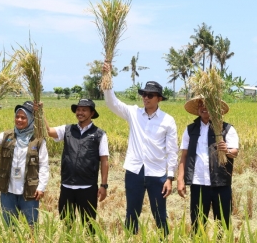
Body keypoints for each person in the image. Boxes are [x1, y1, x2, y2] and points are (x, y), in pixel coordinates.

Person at [103, 64, 178, 236]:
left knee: (160, 214)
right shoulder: (133, 113)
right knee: (131, 213)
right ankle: (131, 238)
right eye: (144, 94)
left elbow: (172, 151)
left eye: (150, 95)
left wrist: (170, 178)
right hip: (134, 172)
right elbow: (111, 102)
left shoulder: (168, 121)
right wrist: (107, 77)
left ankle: (163, 239)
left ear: (159, 98)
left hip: (157, 174)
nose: (145, 98)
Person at [0, 101, 49, 226]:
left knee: (31, 226)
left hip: (29, 192)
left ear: (31, 119)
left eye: (23, 117)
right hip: (8, 190)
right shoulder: (7, 136)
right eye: (17, 116)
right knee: (9, 226)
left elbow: (44, 165)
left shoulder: (38, 140)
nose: (19, 120)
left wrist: (41, 187)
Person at [177, 96, 239, 231]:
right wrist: (180, 179)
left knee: (223, 224)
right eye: (201, 104)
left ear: (216, 109)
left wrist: (226, 150)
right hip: (198, 183)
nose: (204, 107)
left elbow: (234, 153)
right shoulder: (190, 130)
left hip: (221, 183)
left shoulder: (227, 129)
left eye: (208, 104)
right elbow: (184, 156)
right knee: (197, 224)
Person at [46, 98, 109, 232]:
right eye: (78, 109)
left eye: (84, 110)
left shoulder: (99, 134)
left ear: (92, 113)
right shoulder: (67, 130)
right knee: (67, 224)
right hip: (67, 185)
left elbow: (104, 161)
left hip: (88, 187)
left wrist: (104, 185)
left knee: (89, 225)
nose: (80, 112)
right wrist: (39, 112)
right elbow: (49, 131)